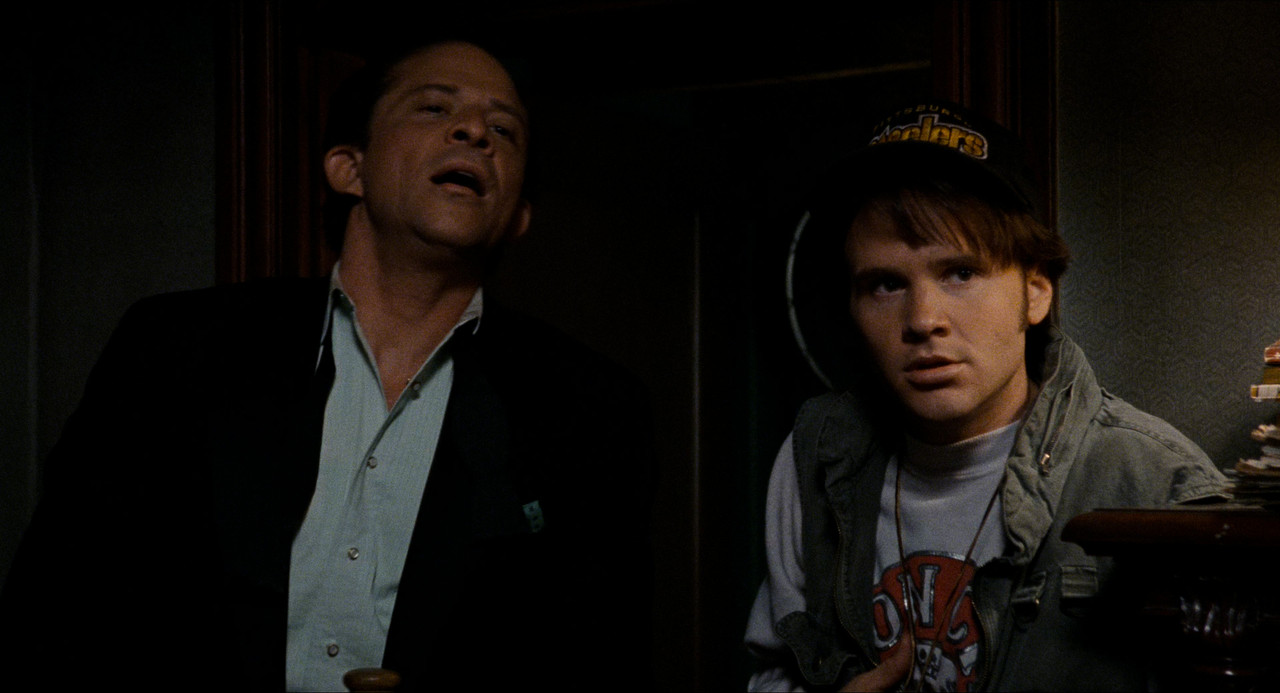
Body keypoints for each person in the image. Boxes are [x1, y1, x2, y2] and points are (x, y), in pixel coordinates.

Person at [0, 37, 653, 692]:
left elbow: (595, 654)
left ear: (519, 217)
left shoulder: (589, 408)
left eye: (504, 130)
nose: (476, 132)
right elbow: (57, 606)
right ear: (349, 168)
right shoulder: (177, 347)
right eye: (434, 107)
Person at [744, 101, 1227, 691]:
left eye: (960, 273)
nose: (923, 320)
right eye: (886, 284)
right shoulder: (818, 460)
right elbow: (773, 668)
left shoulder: (1156, 484)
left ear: (1036, 291)